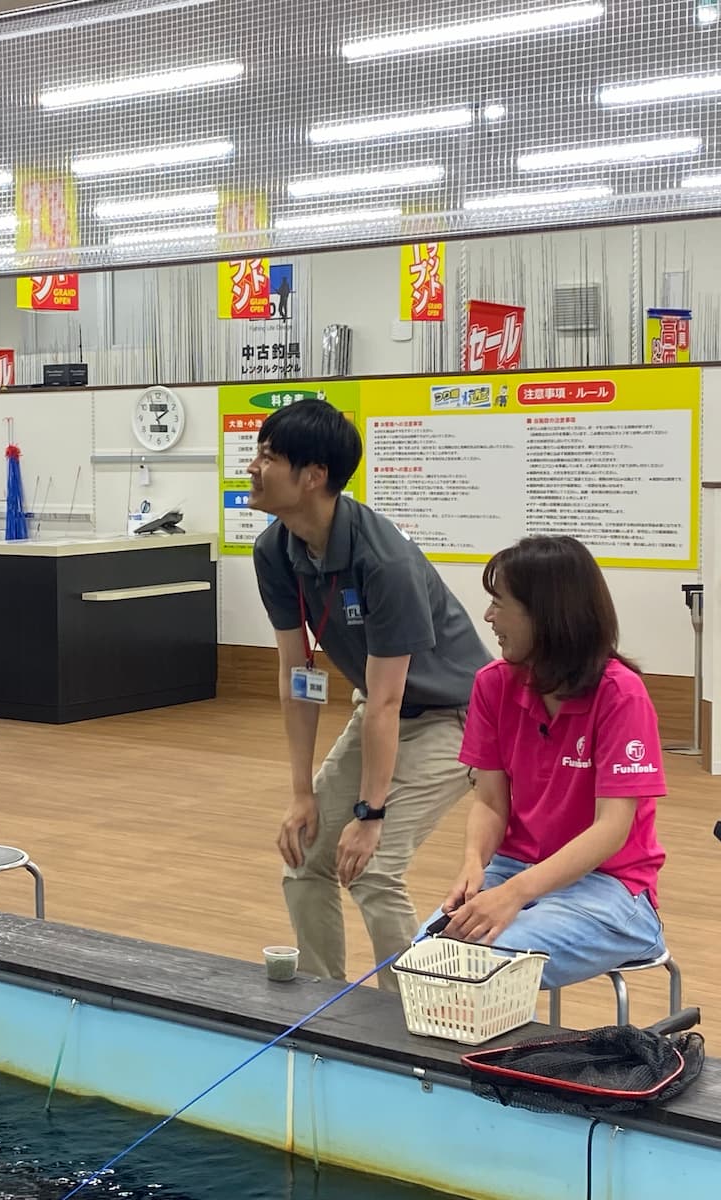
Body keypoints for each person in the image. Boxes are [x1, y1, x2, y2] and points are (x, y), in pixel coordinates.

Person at [250, 399, 490, 990]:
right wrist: (302, 794)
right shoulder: (273, 551)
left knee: (374, 868)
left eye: (268, 456)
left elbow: (387, 699)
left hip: (454, 717)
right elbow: (294, 674)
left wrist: (370, 813)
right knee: (305, 854)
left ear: (313, 477)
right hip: (381, 710)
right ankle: (322, 1005)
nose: (252, 467)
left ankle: (406, 1020)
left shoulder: (385, 561)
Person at [432, 536, 667, 989]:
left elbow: (612, 829)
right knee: (428, 958)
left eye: (500, 604)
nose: (488, 617)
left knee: (479, 970)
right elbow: (490, 802)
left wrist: (514, 896)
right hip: (513, 869)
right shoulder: (492, 684)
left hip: (612, 888)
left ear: (546, 614)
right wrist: (473, 862)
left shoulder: (621, 694)